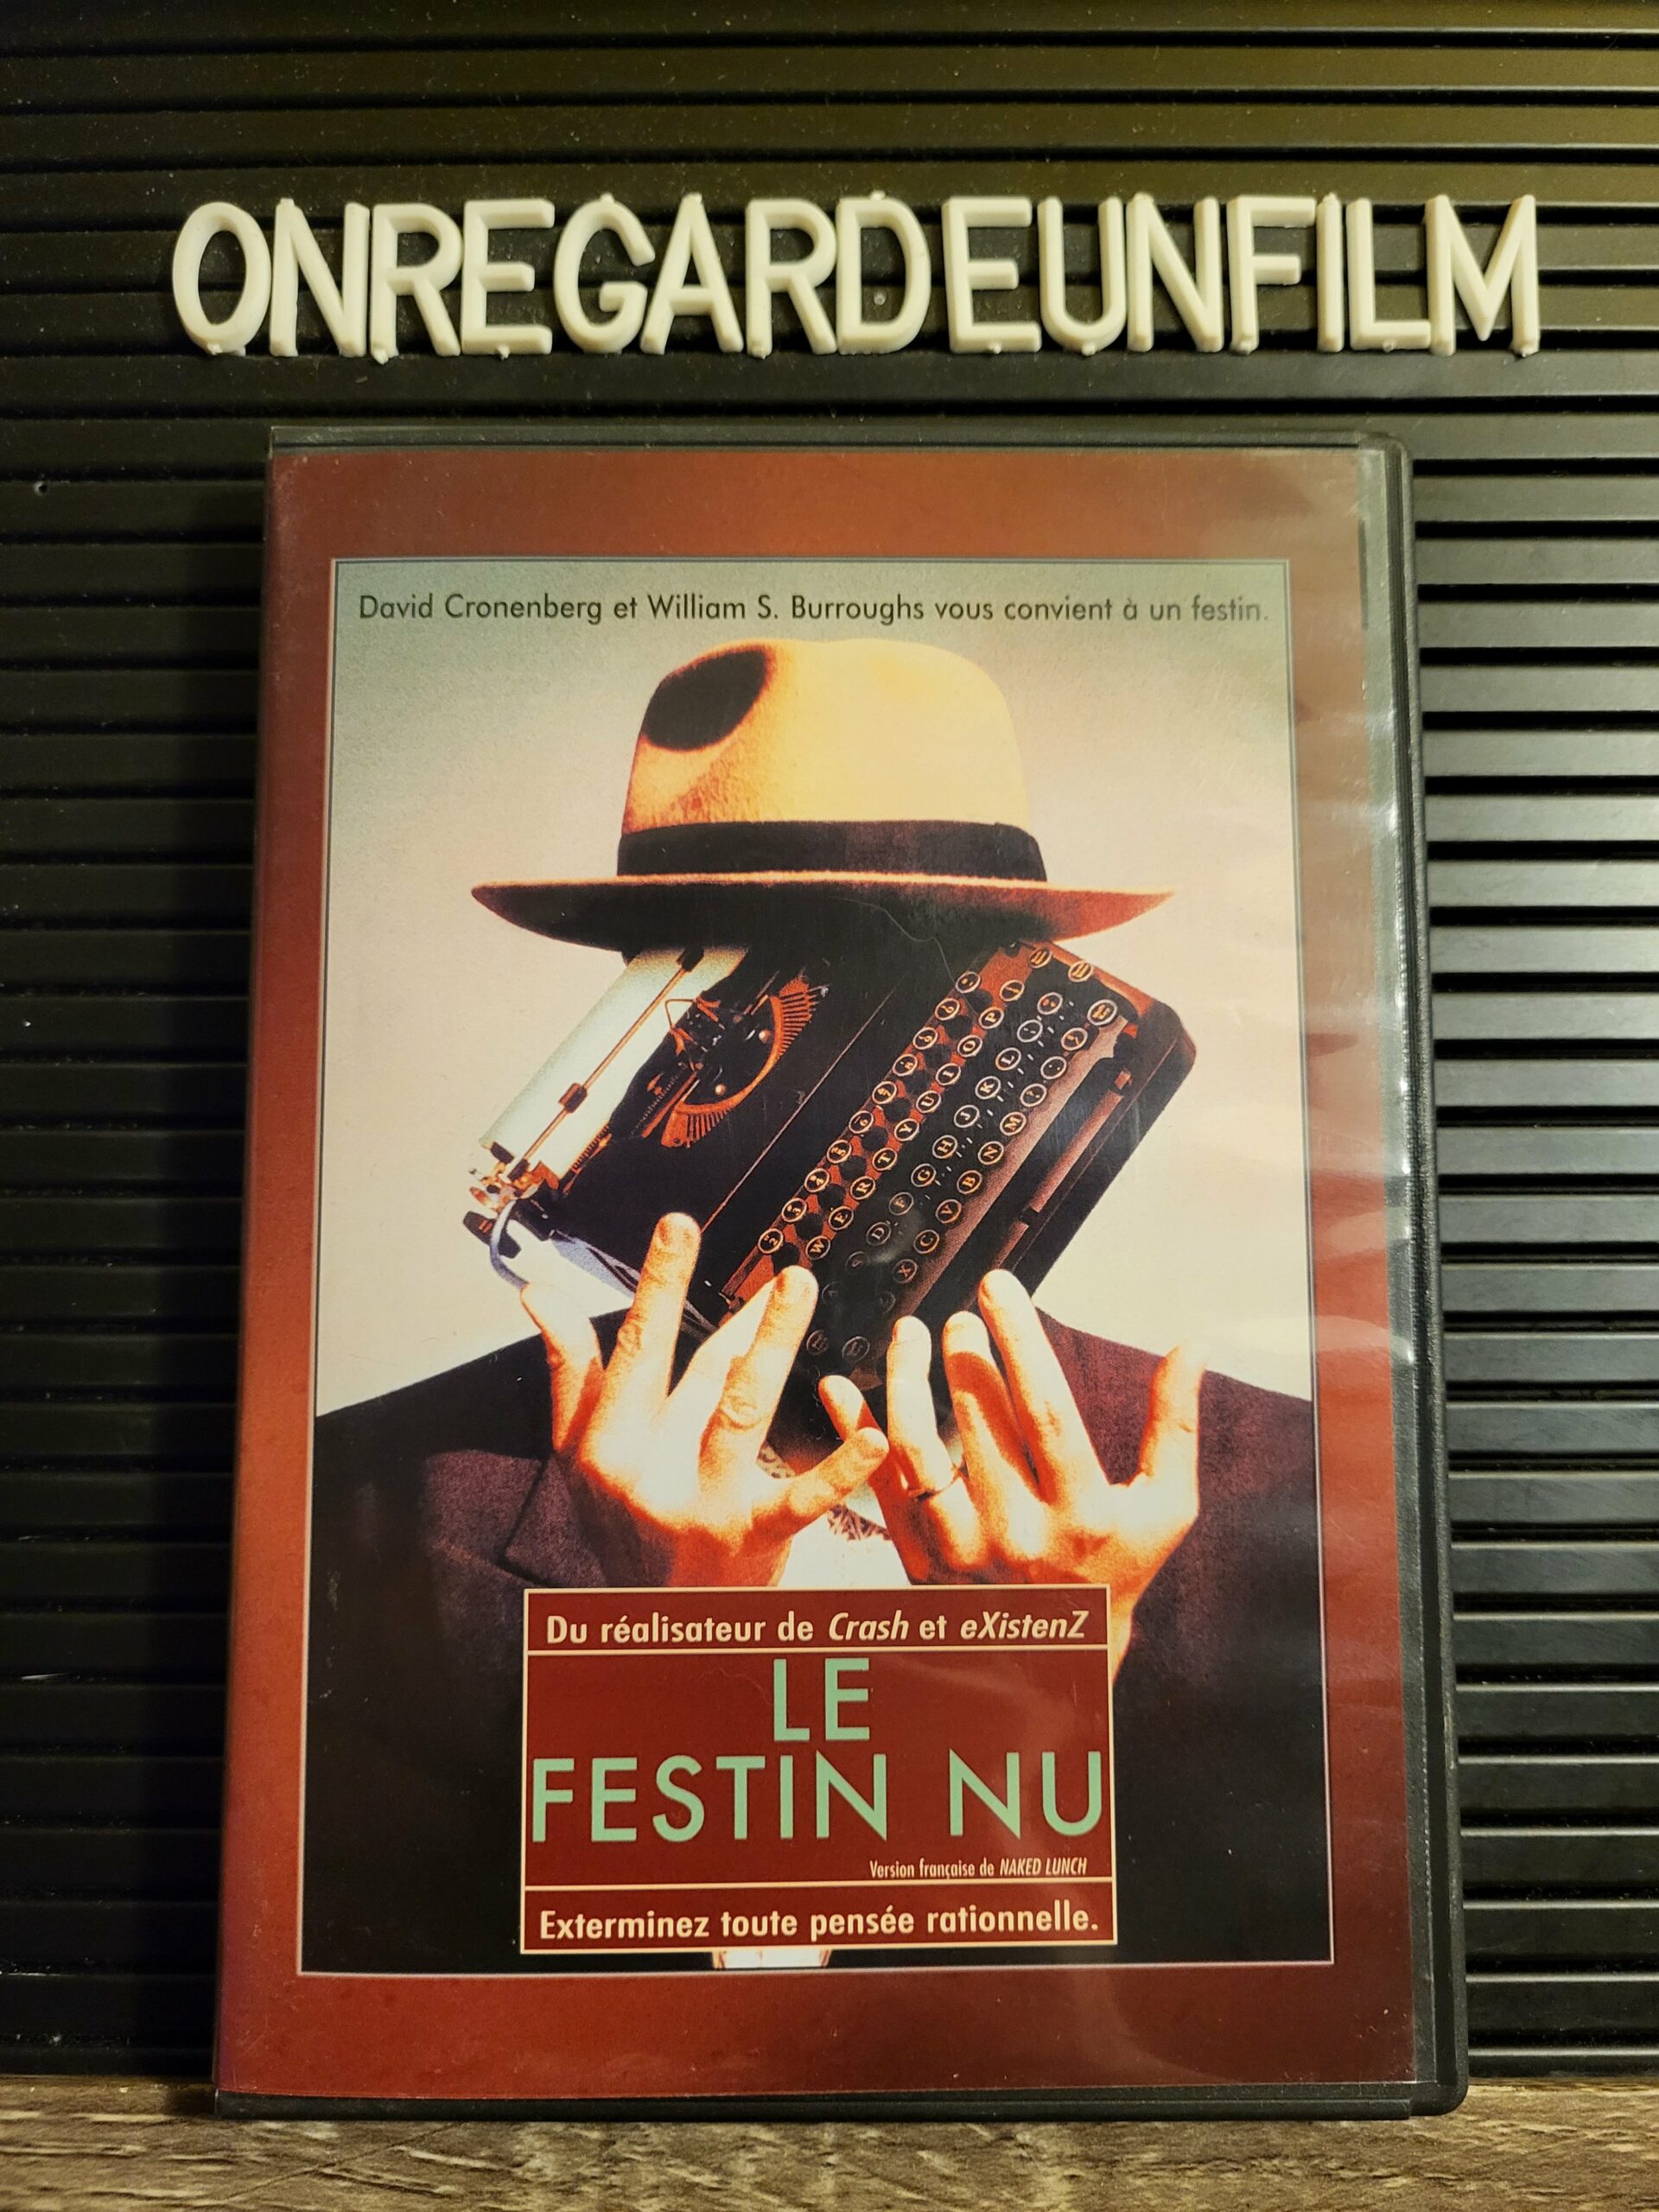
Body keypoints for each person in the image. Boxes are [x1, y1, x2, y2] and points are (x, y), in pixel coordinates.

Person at [303, 638, 1328, 1974]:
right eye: (779, 988)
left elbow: (1259, 2030)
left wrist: (1045, 1684)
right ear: (654, 1019)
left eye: (933, 970)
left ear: (1029, 991)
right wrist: (665, 1663)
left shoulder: (1294, 1495)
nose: (861, 1068)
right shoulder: (360, 1511)